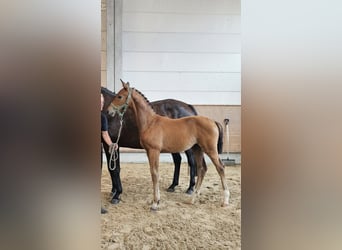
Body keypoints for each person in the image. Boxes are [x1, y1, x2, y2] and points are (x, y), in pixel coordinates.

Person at [101, 93, 117, 214]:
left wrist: (111, 144)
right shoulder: (102, 117)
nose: (101, 105)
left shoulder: (102, 117)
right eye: (99, 103)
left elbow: (104, 134)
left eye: (102, 103)